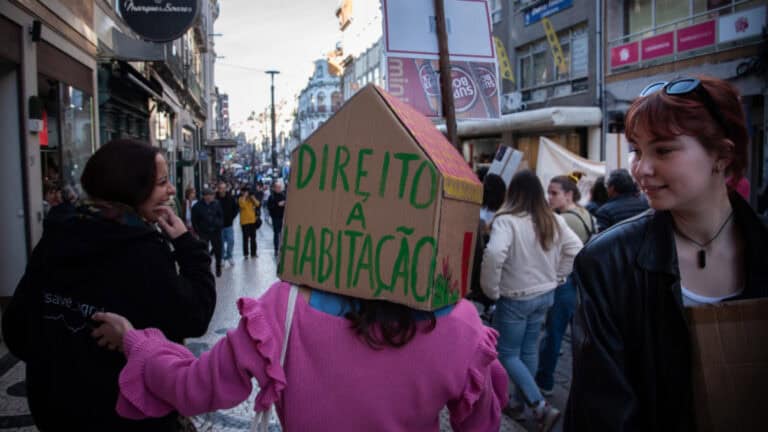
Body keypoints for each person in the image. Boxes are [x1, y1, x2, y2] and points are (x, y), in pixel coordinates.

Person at [565, 76, 768, 431]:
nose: (641, 168)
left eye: (663, 150)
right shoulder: (607, 262)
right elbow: (601, 413)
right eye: (637, 150)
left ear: (722, 154)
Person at [1, 139, 216, 431]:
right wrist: (187, 246)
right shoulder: (141, 250)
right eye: (162, 182)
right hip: (126, 415)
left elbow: (16, 331)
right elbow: (195, 315)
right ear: (130, 188)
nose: (172, 190)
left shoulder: (58, 234)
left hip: (55, 410)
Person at [480, 170, 582, 431]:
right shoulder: (553, 220)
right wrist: (558, 276)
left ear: (512, 192)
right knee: (526, 351)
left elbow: (493, 255)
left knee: (507, 354)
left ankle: (538, 406)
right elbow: (576, 249)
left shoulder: (507, 220)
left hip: (514, 297)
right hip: (544, 296)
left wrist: (491, 290)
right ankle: (519, 403)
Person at [534, 172, 593, 396]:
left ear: (569, 195)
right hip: (579, 283)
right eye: (548, 193)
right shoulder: (584, 213)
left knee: (553, 335)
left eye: (554, 193)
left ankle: (544, 382)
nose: (549, 197)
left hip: (565, 282)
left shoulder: (563, 221)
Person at [192, 188, 224, 277]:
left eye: (212, 195)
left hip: (215, 231)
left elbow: (221, 216)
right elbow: (194, 220)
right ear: (205, 196)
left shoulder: (217, 204)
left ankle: (218, 267)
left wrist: (219, 224)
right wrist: (198, 231)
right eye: (209, 195)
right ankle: (207, 269)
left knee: (218, 250)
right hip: (204, 232)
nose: (211, 197)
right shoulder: (197, 206)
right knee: (204, 251)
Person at [216, 181, 239, 267]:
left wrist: (232, 217)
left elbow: (236, 208)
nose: (222, 190)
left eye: (223, 188)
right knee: (220, 242)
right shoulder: (215, 198)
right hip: (219, 225)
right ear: (218, 189)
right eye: (220, 188)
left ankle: (229, 256)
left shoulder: (231, 198)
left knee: (231, 241)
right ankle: (222, 257)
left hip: (229, 224)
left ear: (226, 189)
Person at [238, 186, 261, 258]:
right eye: (245, 191)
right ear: (242, 192)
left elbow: (258, 204)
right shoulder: (240, 199)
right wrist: (244, 196)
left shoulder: (251, 199)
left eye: (247, 192)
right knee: (245, 239)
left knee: (253, 238)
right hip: (244, 222)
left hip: (252, 221)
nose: (246, 193)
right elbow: (242, 205)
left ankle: (253, 253)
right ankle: (246, 254)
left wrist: (253, 197)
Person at [266, 180, 286, 256]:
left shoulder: (283, 195)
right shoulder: (271, 197)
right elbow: (269, 207)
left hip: (282, 217)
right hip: (275, 217)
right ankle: (276, 249)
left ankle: (282, 247)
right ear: (274, 188)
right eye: (277, 187)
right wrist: (277, 205)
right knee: (276, 233)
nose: (278, 189)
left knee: (282, 233)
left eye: (279, 187)